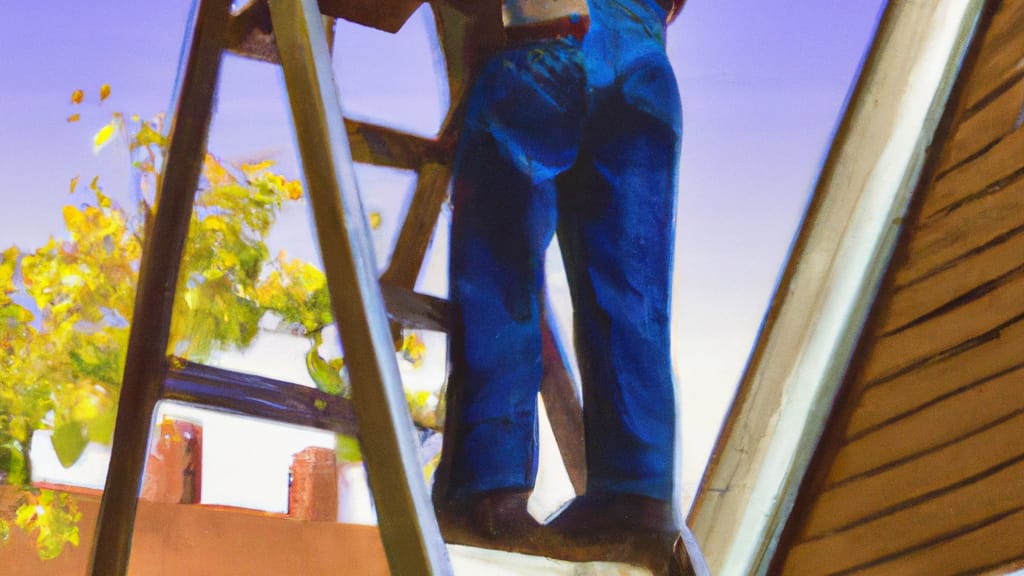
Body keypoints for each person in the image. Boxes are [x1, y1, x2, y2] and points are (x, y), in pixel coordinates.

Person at [441, 0, 687, 567]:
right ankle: (638, 493)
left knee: (501, 266)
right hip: (645, 62)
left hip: (549, 46)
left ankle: (491, 485)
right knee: (633, 293)